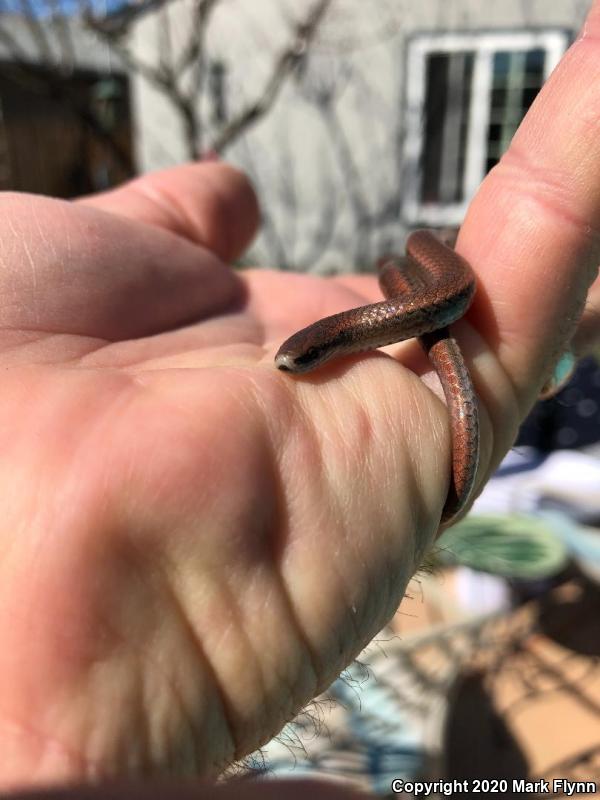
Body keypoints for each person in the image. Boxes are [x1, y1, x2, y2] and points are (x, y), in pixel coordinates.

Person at [2, 2, 600, 797]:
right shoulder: (359, 326)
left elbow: (421, 310)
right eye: (303, 355)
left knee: (429, 294)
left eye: (305, 356)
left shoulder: (394, 309)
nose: (297, 363)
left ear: (328, 345)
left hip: (405, 302)